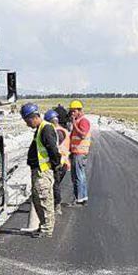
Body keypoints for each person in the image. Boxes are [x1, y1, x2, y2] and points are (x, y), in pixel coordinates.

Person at [21, 103, 62, 238]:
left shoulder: (46, 129)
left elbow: (53, 151)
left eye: (27, 121)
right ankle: (43, 226)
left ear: (33, 117)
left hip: (44, 171)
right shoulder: (40, 129)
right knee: (38, 199)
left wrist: (55, 166)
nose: (27, 124)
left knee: (45, 200)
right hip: (39, 171)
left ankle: (47, 229)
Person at [45, 109, 72, 214]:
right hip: (64, 161)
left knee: (55, 184)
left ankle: (56, 206)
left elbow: (54, 148)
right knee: (55, 184)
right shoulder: (64, 130)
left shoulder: (57, 132)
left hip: (59, 162)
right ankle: (54, 204)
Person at [68, 100, 92, 205]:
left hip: (80, 153)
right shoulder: (78, 121)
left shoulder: (83, 121)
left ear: (79, 111)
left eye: (74, 111)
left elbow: (82, 135)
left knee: (78, 176)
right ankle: (81, 197)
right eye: (71, 111)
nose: (72, 113)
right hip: (75, 152)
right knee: (78, 176)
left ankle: (79, 199)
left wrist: (74, 125)